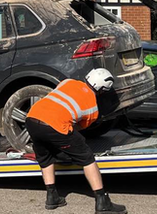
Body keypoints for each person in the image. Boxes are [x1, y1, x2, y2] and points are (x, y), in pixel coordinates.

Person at [25, 69, 127, 213]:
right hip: (54, 125)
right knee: (87, 158)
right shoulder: (93, 108)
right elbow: (76, 128)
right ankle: (102, 201)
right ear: (103, 90)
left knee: (45, 157)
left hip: (31, 119)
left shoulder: (68, 82)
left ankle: (52, 197)